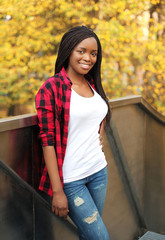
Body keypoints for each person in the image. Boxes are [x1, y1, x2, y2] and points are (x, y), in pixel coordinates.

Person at [35, 25, 111, 240]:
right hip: (71, 179)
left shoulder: (92, 84)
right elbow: (47, 140)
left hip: (98, 170)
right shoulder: (52, 87)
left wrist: (99, 135)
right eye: (81, 51)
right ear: (68, 51)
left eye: (93, 53)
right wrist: (58, 191)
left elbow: (100, 112)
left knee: (89, 236)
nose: (88, 58)